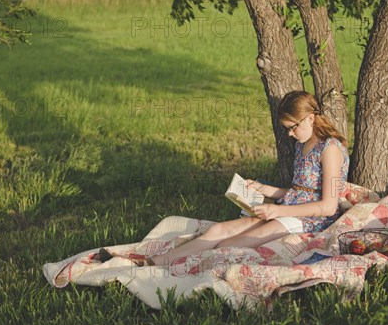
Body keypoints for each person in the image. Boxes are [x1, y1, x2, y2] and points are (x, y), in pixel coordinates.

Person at [96, 90, 349, 267]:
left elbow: (327, 206)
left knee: (229, 244)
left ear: (311, 118)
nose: (291, 134)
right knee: (217, 230)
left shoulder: (330, 149)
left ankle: (182, 268)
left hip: (310, 221)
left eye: (293, 127)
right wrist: (264, 189)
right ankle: (151, 262)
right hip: (290, 209)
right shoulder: (302, 145)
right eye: (287, 129)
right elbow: (300, 191)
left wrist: (276, 212)